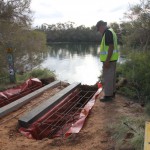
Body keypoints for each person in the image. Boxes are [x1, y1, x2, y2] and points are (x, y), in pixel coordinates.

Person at [96, 20, 119, 102]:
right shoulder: (111, 31)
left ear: (101, 26)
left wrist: (107, 61)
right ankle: (112, 93)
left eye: (98, 29)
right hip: (113, 59)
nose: (99, 31)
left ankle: (108, 96)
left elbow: (111, 47)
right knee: (111, 77)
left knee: (108, 78)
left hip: (109, 60)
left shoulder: (107, 33)